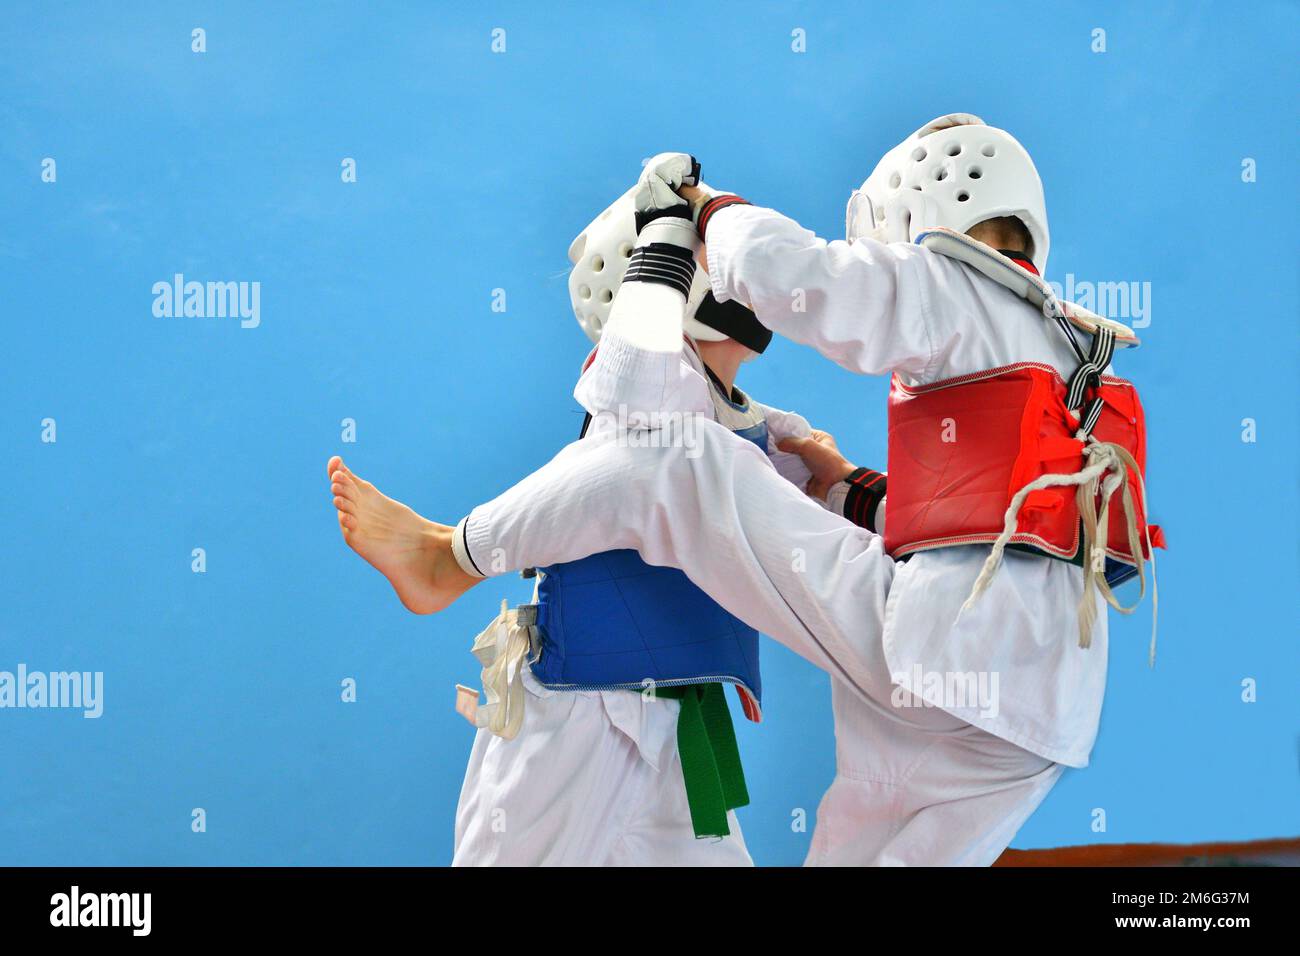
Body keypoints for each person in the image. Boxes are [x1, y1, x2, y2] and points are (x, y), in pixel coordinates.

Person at [328, 115, 1161, 865]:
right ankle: (446, 556)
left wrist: (704, 211)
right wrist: (845, 490)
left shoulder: (949, 290)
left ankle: (450, 554)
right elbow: (992, 512)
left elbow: (787, 282)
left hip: (882, 666)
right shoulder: (1065, 342)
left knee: (681, 461)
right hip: (1037, 709)